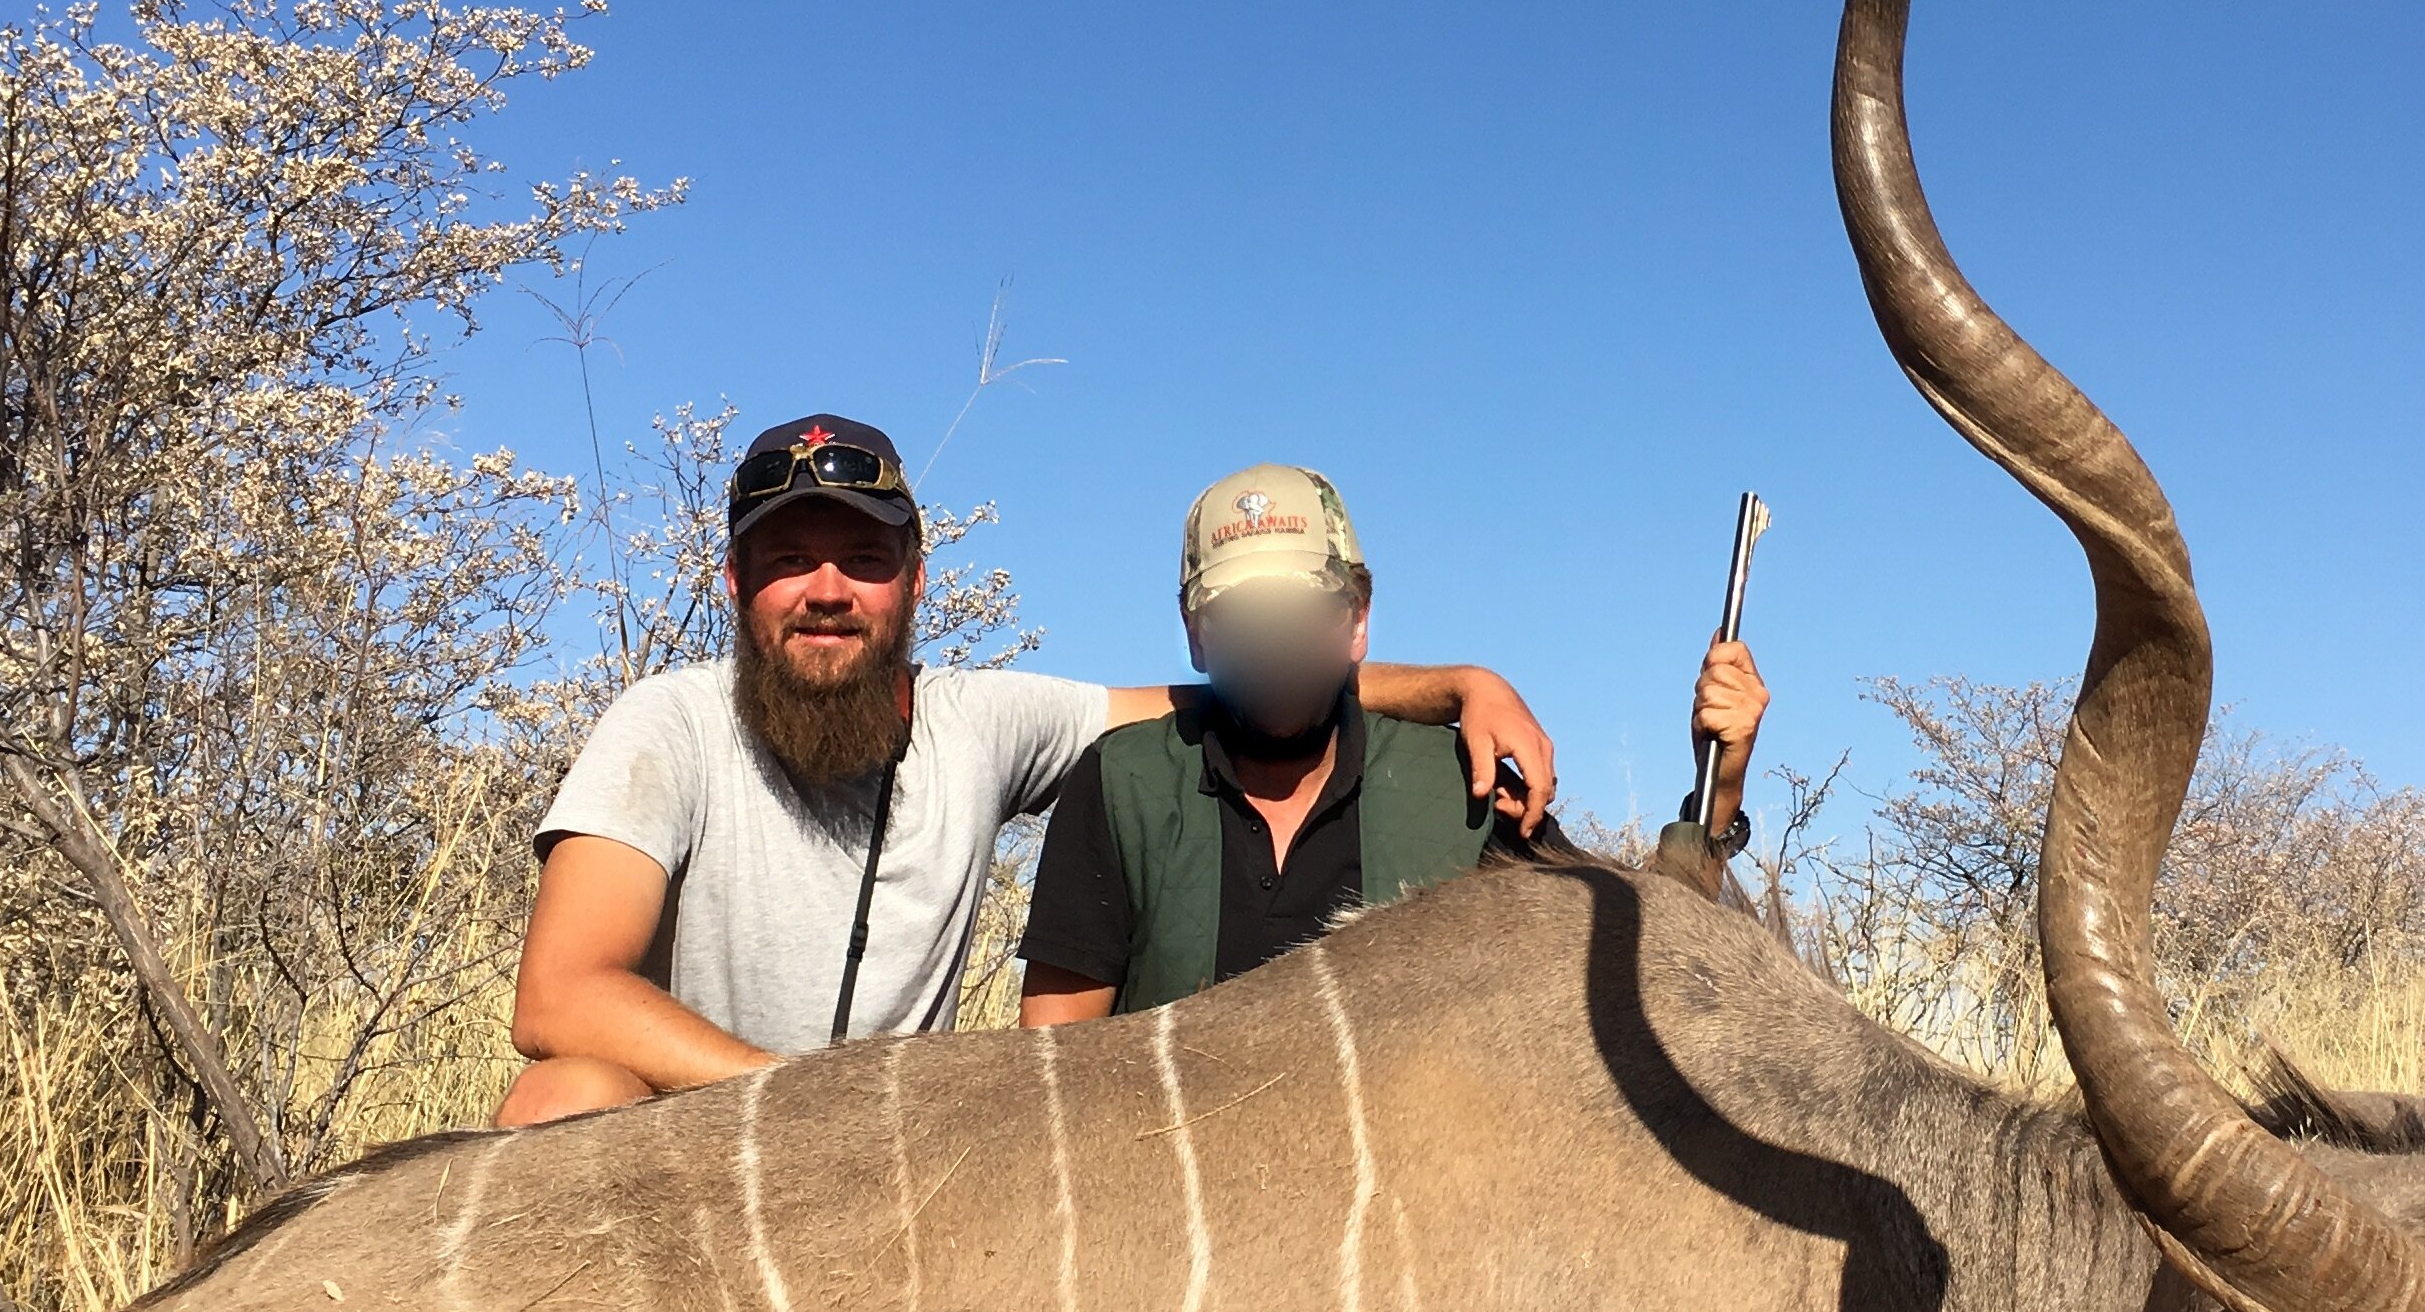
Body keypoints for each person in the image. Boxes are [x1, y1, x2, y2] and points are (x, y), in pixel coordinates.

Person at [501, 417, 1556, 1123]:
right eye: (789, 561)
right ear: (736, 581)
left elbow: (1236, 691)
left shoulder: (984, 721)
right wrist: (798, 1110)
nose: (828, 591)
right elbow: (559, 996)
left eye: (863, 561)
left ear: (914, 580)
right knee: (558, 1101)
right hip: (714, 1142)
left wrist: (1461, 683)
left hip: (903, 1155)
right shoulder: (666, 724)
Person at [1017, 464, 1768, 1021]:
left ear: (1357, 620)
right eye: (1241, 620)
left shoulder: (1456, 788)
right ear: (1194, 635)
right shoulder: (1123, 785)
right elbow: (1054, 1072)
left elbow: (1645, 955)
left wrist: (1720, 783)